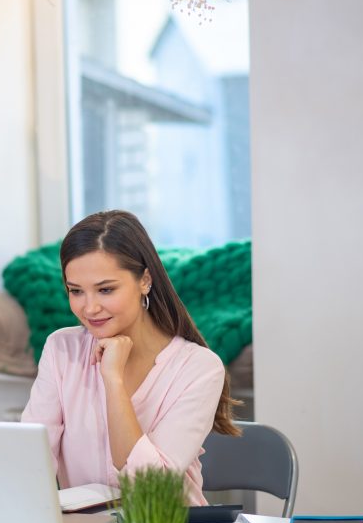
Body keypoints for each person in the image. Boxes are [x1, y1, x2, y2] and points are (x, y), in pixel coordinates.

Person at [21, 210, 241, 506]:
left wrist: (113, 381)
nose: (90, 308)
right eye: (76, 291)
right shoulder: (61, 349)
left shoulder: (199, 367)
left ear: (145, 280)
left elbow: (151, 485)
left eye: (106, 289)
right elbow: (30, 458)